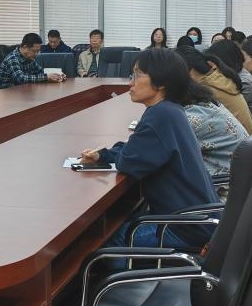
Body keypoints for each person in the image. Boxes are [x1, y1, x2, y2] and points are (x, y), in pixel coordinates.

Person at [77, 47, 218, 249]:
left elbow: (128, 162)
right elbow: (137, 149)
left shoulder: (159, 115)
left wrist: (112, 154)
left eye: (137, 75)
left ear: (161, 82)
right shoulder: (170, 109)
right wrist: (103, 154)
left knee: (100, 245)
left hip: (182, 227)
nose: (130, 83)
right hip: (196, 219)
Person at [176, 45, 252, 135]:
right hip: (249, 135)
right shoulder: (217, 77)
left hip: (241, 140)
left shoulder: (206, 88)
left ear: (190, 72)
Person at [208, 39, 252, 124]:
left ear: (224, 61)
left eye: (215, 63)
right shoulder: (239, 73)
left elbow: (226, 110)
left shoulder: (244, 82)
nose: (213, 68)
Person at [0, 33, 65, 88]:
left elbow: (40, 71)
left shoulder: (29, 58)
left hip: (20, 91)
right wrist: (47, 77)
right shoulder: (12, 59)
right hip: (4, 93)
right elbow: (21, 79)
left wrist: (58, 74)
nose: (36, 54)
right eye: (34, 51)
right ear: (25, 47)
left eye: (38, 51)